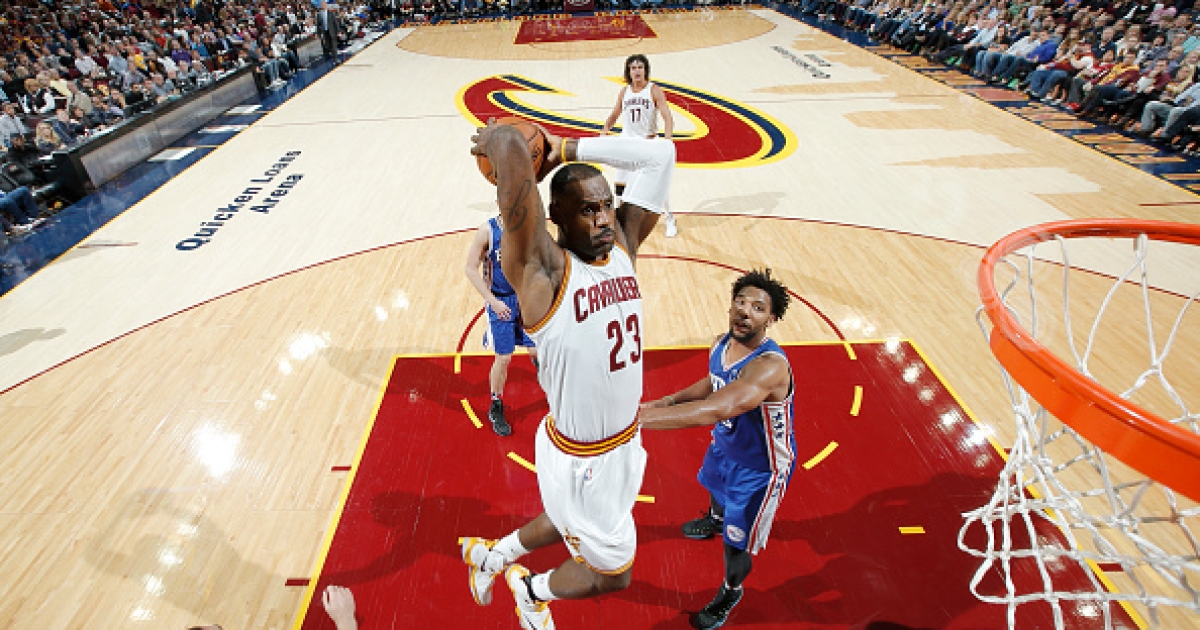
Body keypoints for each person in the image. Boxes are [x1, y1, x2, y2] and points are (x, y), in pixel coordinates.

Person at [461, 120, 674, 630]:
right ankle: (531, 592)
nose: (603, 219)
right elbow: (509, 143)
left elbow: (661, 155)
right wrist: (509, 146)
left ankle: (491, 556)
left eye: (606, 205)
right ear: (555, 216)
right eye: (587, 209)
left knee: (567, 522)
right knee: (613, 574)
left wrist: (570, 148)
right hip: (585, 460)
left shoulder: (622, 248)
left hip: (616, 445)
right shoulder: (543, 275)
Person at [638, 269, 796, 630]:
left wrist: (637, 421)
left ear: (771, 319)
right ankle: (716, 518)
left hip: (759, 469)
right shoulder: (720, 344)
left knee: (735, 544)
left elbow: (719, 407)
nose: (744, 311)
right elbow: (714, 382)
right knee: (713, 488)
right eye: (740, 302)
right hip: (726, 447)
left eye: (757, 308)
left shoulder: (769, 367)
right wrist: (668, 400)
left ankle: (730, 590)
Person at [463, 211, 539, 436]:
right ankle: (496, 405)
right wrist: (493, 302)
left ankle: (557, 393)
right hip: (500, 301)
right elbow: (470, 268)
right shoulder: (487, 231)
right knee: (504, 357)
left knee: (537, 352)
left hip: (524, 299)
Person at [602, 54, 678, 238]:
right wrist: (604, 131)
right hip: (627, 144)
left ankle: (669, 218)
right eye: (633, 68)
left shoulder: (654, 90)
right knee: (620, 187)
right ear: (628, 71)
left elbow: (668, 117)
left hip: (648, 144)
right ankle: (620, 223)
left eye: (640, 67)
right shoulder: (624, 92)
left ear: (645, 70)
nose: (637, 71)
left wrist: (667, 141)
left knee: (658, 186)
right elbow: (614, 114)